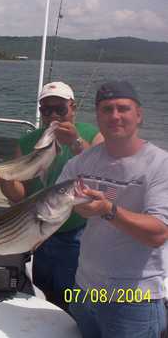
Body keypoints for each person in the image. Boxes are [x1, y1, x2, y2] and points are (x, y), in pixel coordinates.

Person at [0, 81, 103, 310]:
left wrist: (75, 142)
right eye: (46, 109)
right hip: (39, 231)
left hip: (79, 234)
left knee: (77, 297)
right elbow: (19, 196)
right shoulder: (27, 142)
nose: (53, 115)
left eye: (60, 109)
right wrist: (5, 178)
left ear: (72, 107)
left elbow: (103, 171)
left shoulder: (92, 134)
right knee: (47, 292)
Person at [57, 81, 168, 338]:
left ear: (138, 115)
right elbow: (54, 202)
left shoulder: (159, 165)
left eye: (123, 108)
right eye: (106, 109)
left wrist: (107, 209)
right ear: (97, 116)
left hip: (133, 298)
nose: (115, 116)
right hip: (84, 290)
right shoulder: (82, 162)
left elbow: (158, 234)